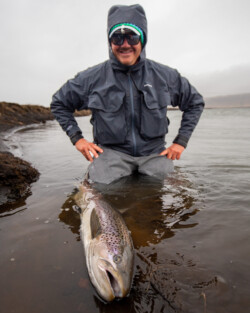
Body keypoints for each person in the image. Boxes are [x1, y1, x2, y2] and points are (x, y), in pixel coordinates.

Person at [51, 4, 205, 184]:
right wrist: (77, 139)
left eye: (132, 37)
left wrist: (181, 141)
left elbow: (195, 103)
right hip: (110, 155)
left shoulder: (165, 76)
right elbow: (59, 103)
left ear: (142, 40)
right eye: (117, 38)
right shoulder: (91, 78)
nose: (125, 45)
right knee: (101, 193)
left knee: (169, 192)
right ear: (110, 42)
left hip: (154, 154)